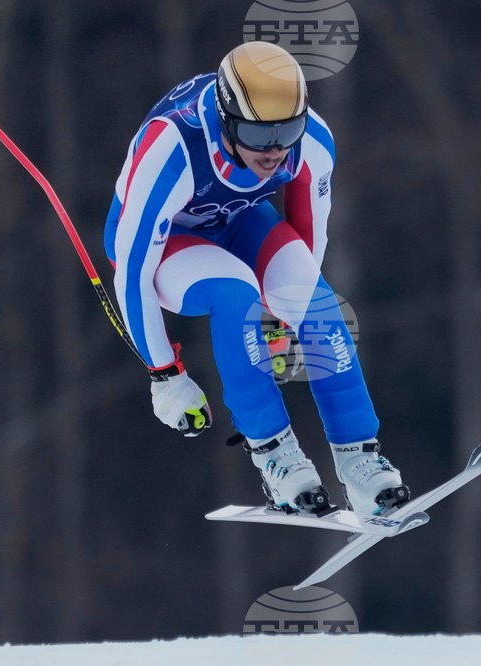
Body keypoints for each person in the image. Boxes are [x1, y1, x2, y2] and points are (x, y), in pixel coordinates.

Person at [104, 42, 409, 517]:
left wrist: (286, 319)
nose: (273, 150)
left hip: (239, 220)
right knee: (235, 296)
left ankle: (361, 462)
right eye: (255, 134)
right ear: (226, 119)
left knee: (317, 304)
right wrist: (165, 375)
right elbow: (132, 268)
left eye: (286, 131)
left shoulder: (313, 142)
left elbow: (310, 239)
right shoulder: (171, 147)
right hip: (164, 244)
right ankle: (277, 458)